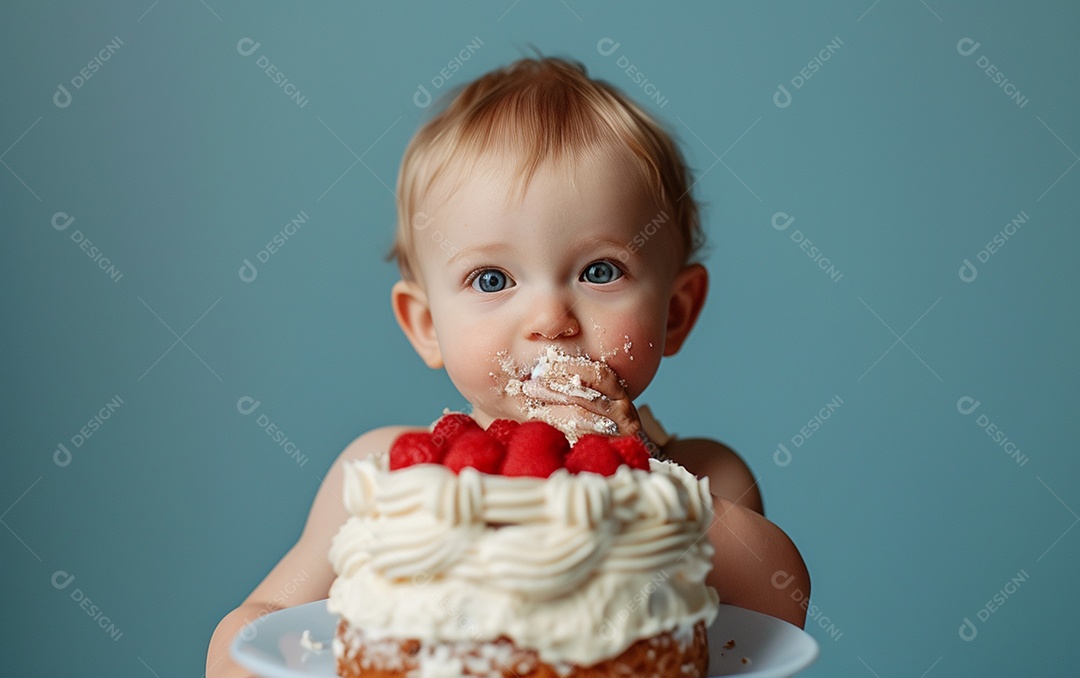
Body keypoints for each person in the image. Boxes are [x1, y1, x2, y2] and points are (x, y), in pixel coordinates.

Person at [207, 55, 809, 677]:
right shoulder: (387, 472)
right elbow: (266, 618)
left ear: (676, 312)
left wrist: (643, 482)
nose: (550, 317)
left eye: (599, 271)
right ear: (426, 325)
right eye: (492, 278)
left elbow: (779, 607)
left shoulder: (702, 473)